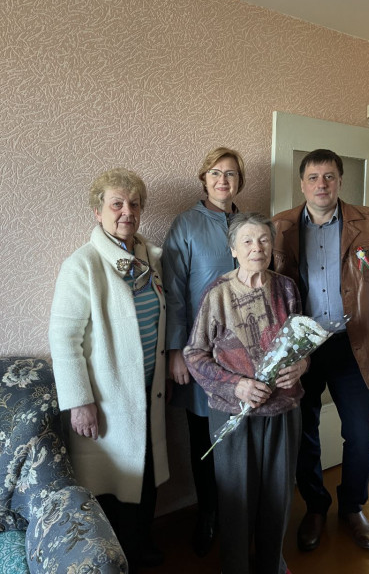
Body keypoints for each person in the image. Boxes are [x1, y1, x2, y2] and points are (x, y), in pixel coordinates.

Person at [272, 148, 369, 551]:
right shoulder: (281, 227)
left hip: (353, 344)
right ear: (302, 184)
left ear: (340, 181)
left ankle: (352, 507)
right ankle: (315, 506)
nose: (321, 184)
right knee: (304, 433)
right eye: (313, 177)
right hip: (303, 349)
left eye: (329, 176)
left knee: (361, 435)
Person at [48, 168, 169, 573]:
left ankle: (141, 547)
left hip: (149, 393)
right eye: (116, 204)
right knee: (113, 488)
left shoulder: (149, 258)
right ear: (98, 212)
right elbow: (64, 338)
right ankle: (120, 559)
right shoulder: (82, 265)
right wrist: (79, 402)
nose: (127, 211)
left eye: (134, 204)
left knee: (145, 478)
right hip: (107, 400)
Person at [183, 212, 307, 574]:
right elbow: (194, 355)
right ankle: (235, 566)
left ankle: (272, 564)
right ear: (233, 250)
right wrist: (237, 385)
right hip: (233, 414)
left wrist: (302, 365)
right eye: (248, 241)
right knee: (236, 500)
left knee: (279, 496)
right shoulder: (218, 293)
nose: (257, 248)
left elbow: (301, 343)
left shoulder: (286, 288)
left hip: (283, 409)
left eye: (264, 240)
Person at [162, 147, 245, 556]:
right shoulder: (186, 225)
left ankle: (239, 515)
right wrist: (175, 350)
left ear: (239, 181)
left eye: (230, 173)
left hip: (245, 354)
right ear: (204, 179)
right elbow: (174, 291)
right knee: (205, 440)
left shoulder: (249, 224)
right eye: (215, 172)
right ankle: (208, 513)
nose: (222, 180)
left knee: (240, 437)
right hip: (200, 354)